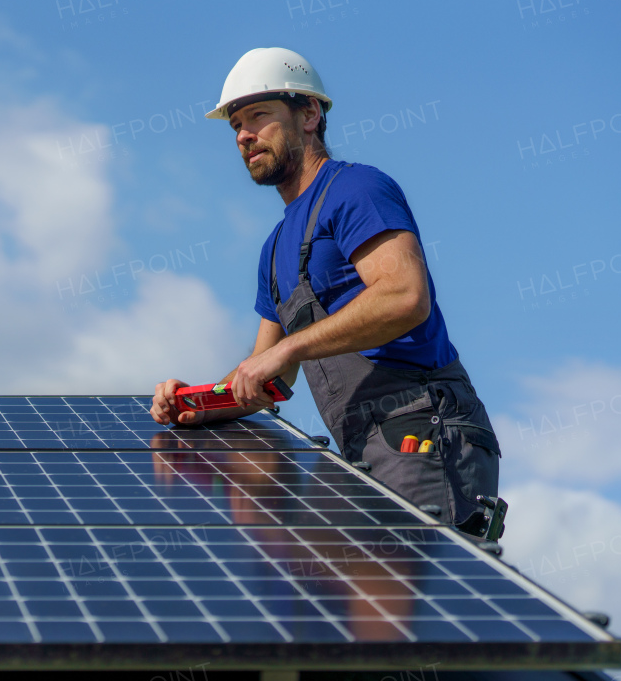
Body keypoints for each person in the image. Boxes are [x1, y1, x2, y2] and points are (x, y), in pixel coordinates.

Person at [149, 47, 500, 531]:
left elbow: (405, 296)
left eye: (258, 116)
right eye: (235, 126)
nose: (244, 135)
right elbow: (266, 379)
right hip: (362, 446)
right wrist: (194, 402)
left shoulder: (356, 189)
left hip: (420, 430)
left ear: (309, 114)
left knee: (417, 600)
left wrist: (287, 349)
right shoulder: (274, 251)